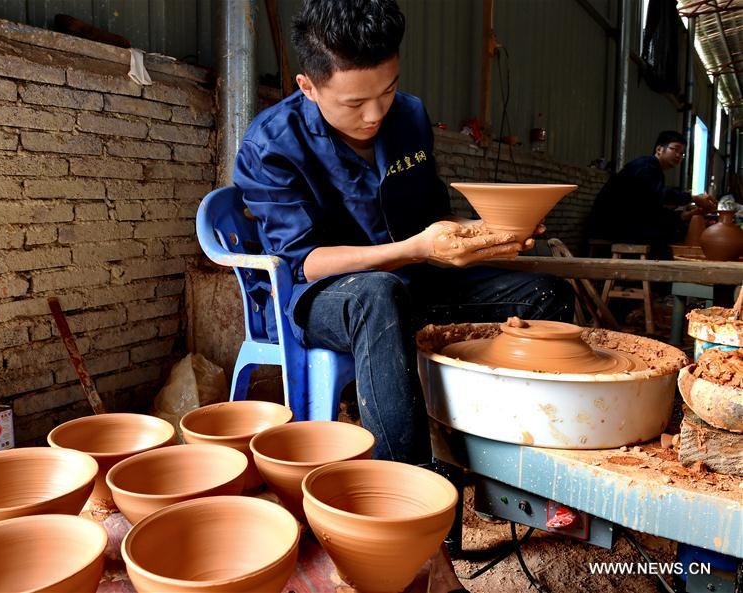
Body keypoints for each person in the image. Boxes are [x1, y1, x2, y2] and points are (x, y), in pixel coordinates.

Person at [233, 2, 573, 589]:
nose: (374, 114)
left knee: (543, 295)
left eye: (386, 92)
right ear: (307, 86)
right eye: (354, 102)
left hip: (416, 279)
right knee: (379, 295)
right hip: (328, 300)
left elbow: (429, 216)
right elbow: (306, 262)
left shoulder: (409, 117)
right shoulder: (271, 144)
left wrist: (481, 236)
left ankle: (511, 472)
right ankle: (416, 529)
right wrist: (419, 248)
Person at [589, 131, 717, 257]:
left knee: (670, 228)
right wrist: (692, 197)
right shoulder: (646, 165)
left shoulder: (654, 170)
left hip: (624, 220)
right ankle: (646, 276)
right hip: (610, 223)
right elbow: (660, 194)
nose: (679, 155)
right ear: (659, 149)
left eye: (682, 153)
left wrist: (686, 215)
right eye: (675, 149)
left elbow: (650, 207)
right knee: (662, 239)